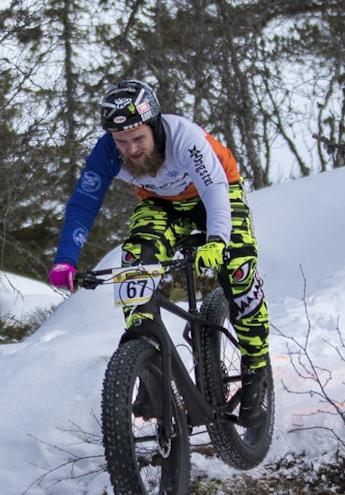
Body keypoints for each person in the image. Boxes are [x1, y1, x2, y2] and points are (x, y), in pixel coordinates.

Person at [49, 79, 271, 425]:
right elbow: (83, 203)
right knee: (134, 263)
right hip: (159, 205)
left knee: (239, 268)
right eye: (122, 142)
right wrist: (66, 259)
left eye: (138, 138)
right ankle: (148, 365)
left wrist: (216, 240)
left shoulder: (184, 138)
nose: (132, 149)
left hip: (215, 194)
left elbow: (214, 189)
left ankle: (256, 369)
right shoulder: (106, 151)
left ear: (154, 125)